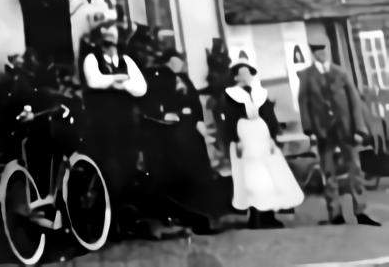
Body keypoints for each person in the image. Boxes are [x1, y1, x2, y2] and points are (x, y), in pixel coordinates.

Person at [140, 49, 231, 235]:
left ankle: (208, 215)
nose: (178, 65)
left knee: (200, 171)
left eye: (179, 62)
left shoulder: (185, 79)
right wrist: (165, 114)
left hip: (192, 130)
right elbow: (154, 103)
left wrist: (199, 121)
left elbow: (195, 101)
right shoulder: (158, 79)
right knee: (183, 173)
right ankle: (191, 216)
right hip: (174, 132)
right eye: (174, 61)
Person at [298, 43, 381, 226]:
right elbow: (303, 104)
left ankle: (361, 211)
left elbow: (354, 102)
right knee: (328, 172)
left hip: (345, 129)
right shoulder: (306, 76)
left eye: (323, 50)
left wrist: (359, 129)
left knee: (355, 170)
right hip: (323, 131)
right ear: (313, 53)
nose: (321, 54)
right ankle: (334, 213)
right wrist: (309, 130)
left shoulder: (341, 73)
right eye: (317, 51)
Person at [220, 56, 304, 229]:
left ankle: (269, 216)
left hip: (262, 137)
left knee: (271, 176)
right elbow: (229, 119)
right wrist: (236, 140)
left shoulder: (260, 93)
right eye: (242, 73)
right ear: (236, 77)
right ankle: (256, 217)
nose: (246, 76)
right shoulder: (231, 95)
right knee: (252, 178)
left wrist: (273, 137)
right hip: (245, 137)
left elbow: (269, 116)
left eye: (248, 73)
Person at [81, 20, 147, 212]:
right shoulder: (92, 59)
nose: (109, 43)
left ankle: (128, 210)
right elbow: (94, 81)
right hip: (103, 123)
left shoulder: (127, 61)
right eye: (105, 37)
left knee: (129, 163)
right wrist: (117, 78)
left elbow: (141, 88)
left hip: (126, 123)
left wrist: (122, 84)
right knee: (109, 166)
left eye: (113, 35)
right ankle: (110, 212)